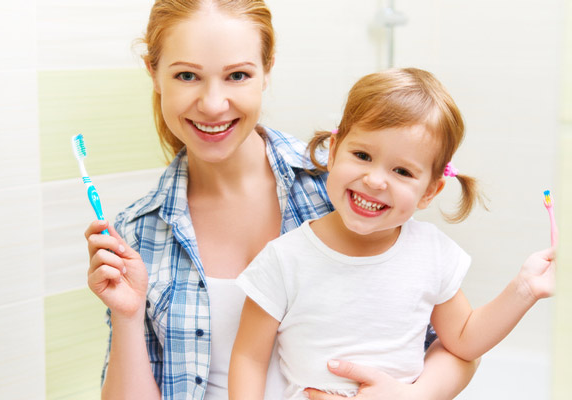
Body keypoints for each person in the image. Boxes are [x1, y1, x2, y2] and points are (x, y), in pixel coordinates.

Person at [84, 1, 479, 399]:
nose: (213, 104)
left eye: (237, 75)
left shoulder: (347, 189)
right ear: (153, 72)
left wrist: (415, 394)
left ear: (267, 69)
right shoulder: (139, 232)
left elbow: (458, 343)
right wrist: (128, 315)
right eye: (187, 75)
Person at [228, 68, 556, 399]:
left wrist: (524, 289)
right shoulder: (283, 259)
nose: (374, 180)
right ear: (334, 149)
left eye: (401, 171)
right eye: (362, 155)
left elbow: (465, 339)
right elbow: (249, 360)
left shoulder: (431, 254)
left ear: (429, 191)